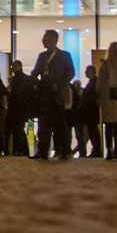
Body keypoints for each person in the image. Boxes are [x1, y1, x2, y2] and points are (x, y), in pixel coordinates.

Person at [31, 30, 76, 160]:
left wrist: (60, 85)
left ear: (53, 40)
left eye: (46, 39)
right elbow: (35, 72)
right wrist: (37, 84)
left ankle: (65, 150)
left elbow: (70, 73)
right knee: (44, 123)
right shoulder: (42, 56)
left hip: (58, 94)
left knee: (60, 123)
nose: (44, 41)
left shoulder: (64, 56)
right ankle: (42, 151)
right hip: (45, 93)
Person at [7, 60, 34, 156]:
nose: (13, 69)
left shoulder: (17, 79)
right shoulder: (25, 79)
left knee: (17, 130)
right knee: (19, 129)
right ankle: (23, 149)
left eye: (14, 67)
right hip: (22, 108)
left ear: (19, 66)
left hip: (17, 108)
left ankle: (20, 149)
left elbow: (15, 94)